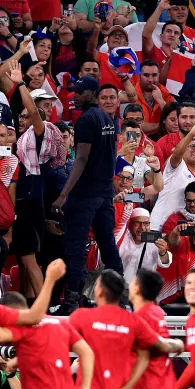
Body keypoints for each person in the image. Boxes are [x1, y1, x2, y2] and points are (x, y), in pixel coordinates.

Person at [52, 76, 121, 313]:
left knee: (75, 247)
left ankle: (73, 300)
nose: (75, 96)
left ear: (92, 93)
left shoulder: (85, 120)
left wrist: (64, 194)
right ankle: (121, 300)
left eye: (79, 93)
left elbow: (81, 158)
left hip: (85, 194)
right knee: (108, 246)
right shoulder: (108, 118)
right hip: (104, 193)